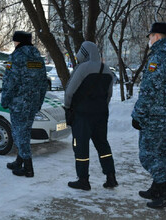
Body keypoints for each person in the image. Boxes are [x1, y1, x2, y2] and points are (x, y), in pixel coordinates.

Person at [131, 22, 166, 208]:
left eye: (150, 36)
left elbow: (149, 89)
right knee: (160, 152)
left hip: (154, 115)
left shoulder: (159, 56)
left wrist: (138, 114)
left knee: (148, 155)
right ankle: (156, 188)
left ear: (157, 36)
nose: (149, 39)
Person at [64, 41, 118, 191]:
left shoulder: (82, 68)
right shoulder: (106, 69)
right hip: (101, 114)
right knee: (102, 144)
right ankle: (111, 177)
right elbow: (109, 95)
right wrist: (101, 107)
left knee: (81, 146)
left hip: (82, 115)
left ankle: (83, 180)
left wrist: (68, 108)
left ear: (83, 53)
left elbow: (69, 92)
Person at [1, 31, 48, 177]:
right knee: (25, 131)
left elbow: (9, 82)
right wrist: (39, 101)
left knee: (19, 133)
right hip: (33, 103)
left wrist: (4, 99)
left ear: (18, 42)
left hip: (18, 104)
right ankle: (19, 161)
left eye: (15, 41)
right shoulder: (38, 59)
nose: (14, 44)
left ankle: (28, 168)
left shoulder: (15, 57)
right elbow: (43, 83)